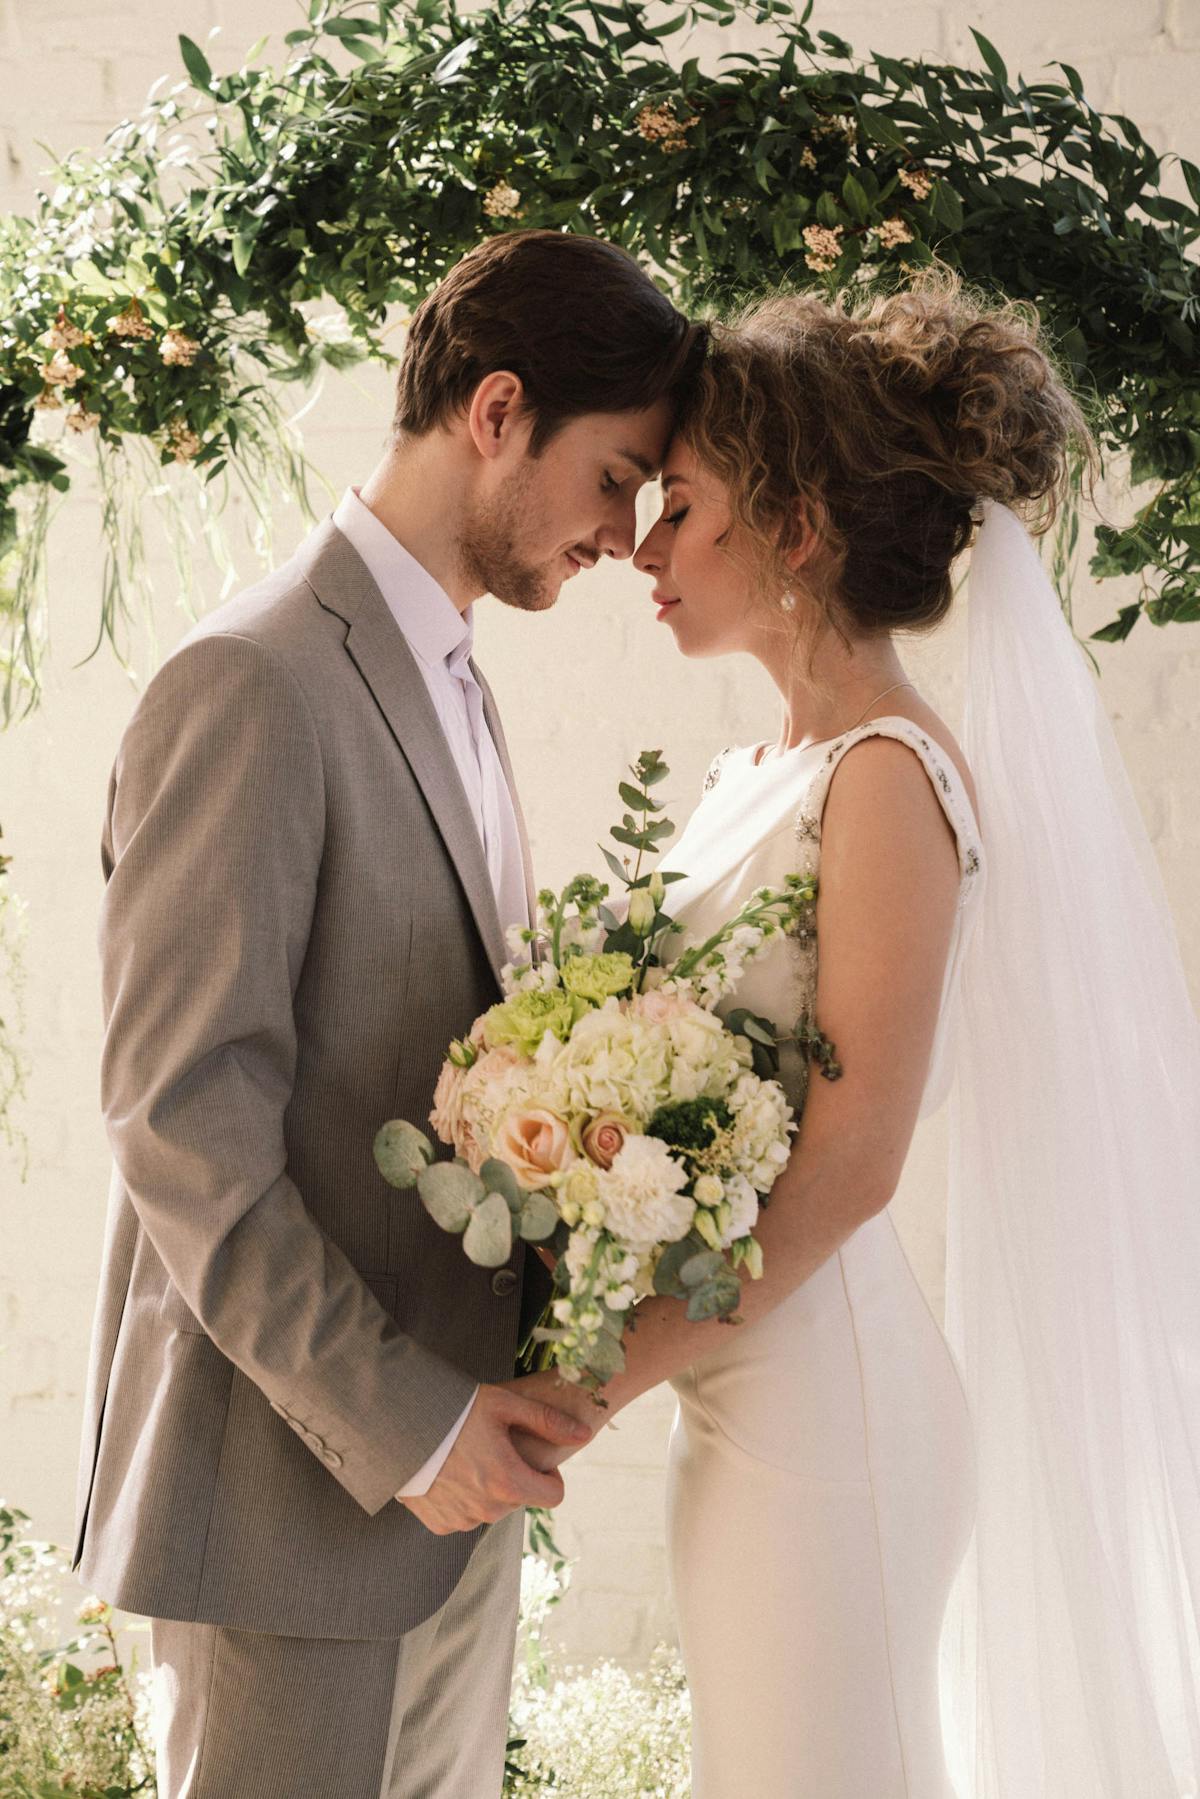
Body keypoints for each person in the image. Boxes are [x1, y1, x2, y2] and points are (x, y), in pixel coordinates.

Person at [515, 275, 1200, 1796]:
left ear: (799, 531)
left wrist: (598, 1377)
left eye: (681, 508)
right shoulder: (761, 768)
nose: (644, 547)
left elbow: (854, 1164)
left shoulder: (884, 777)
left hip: (832, 1423)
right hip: (741, 1404)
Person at [73, 228, 705, 1799]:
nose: (627, 538)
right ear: (497, 412)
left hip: (450, 1501)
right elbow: (182, 1126)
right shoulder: (256, 680)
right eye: (616, 478)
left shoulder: (453, 678)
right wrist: (414, 1429)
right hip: (293, 1507)